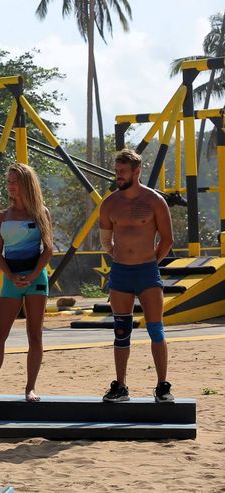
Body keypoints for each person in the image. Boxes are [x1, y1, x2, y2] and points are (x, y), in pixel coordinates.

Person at [99, 148, 174, 403]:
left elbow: (167, 239)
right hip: (121, 273)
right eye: (116, 171)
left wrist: (150, 262)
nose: (118, 176)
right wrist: (119, 257)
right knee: (121, 331)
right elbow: (106, 240)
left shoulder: (154, 201)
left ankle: (162, 386)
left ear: (137, 172)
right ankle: (120, 386)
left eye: (122, 171)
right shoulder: (109, 203)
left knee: (156, 328)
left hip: (147, 272)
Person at [0, 163, 52, 402]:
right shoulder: (2, 216)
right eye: (9, 181)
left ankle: (30, 388)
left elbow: (48, 249)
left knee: (35, 334)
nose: (11, 186)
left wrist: (32, 275)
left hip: (36, 278)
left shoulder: (41, 212)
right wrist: (11, 276)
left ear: (27, 184)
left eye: (15, 181)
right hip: (11, 278)